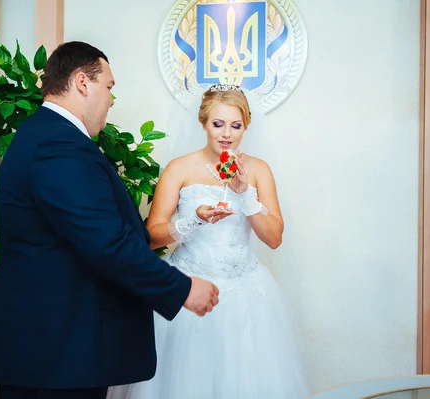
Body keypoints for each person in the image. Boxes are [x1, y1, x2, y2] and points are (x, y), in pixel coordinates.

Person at [0, 41, 223, 399]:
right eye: (108, 86)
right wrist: (181, 288)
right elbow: (106, 242)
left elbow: (104, 233)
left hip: (58, 350)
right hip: (55, 352)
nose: (110, 98)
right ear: (81, 82)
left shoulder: (46, 135)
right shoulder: (56, 145)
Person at [107, 84, 311, 398]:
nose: (226, 134)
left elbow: (273, 238)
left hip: (245, 293)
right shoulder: (180, 169)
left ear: (246, 125)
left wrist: (247, 196)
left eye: (236, 125)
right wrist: (192, 220)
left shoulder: (257, 170)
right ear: (203, 123)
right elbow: (150, 237)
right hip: (188, 289)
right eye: (218, 124)